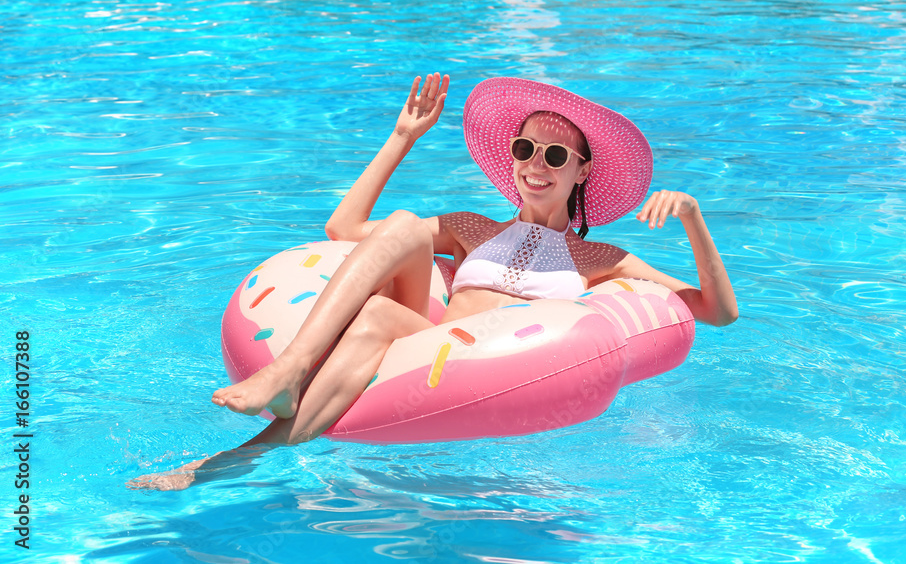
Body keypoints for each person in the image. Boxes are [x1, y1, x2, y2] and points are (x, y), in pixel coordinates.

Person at [129, 73, 737, 490]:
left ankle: (223, 464)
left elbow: (717, 311)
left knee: (371, 318)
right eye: (526, 148)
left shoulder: (598, 256)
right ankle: (289, 369)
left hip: (486, 365)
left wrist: (692, 219)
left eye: (556, 156)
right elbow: (345, 228)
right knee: (400, 226)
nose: (536, 165)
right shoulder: (472, 227)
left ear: (581, 171)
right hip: (425, 333)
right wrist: (402, 139)